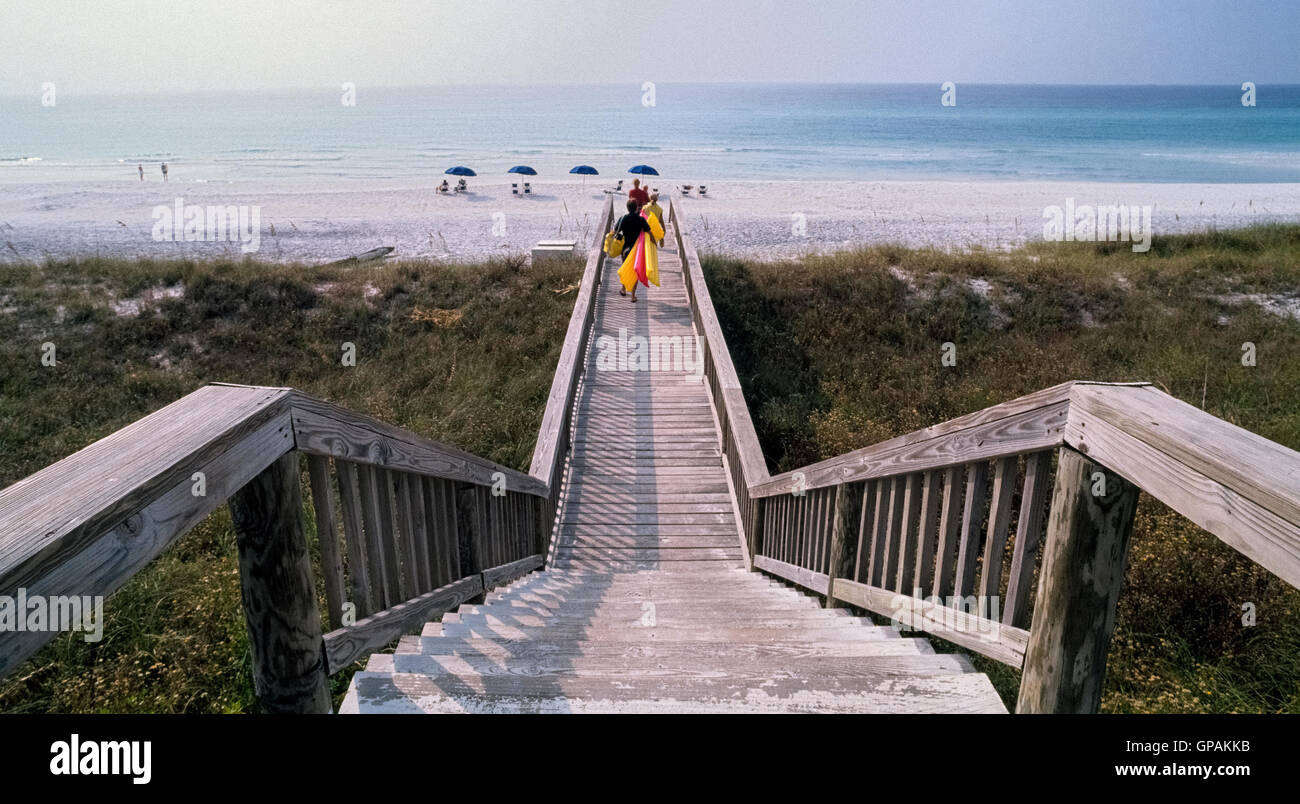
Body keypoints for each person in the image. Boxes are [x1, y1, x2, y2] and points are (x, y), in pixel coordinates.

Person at [611, 199, 652, 303]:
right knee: (635, 272)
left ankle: (623, 289)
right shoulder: (641, 220)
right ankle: (633, 296)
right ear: (636, 207)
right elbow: (649, 231)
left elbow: (615, 232)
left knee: (625, 268)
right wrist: (654, 244)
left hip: (626, 248)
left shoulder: (623, 218)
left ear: (627, 208)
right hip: (637, 249)